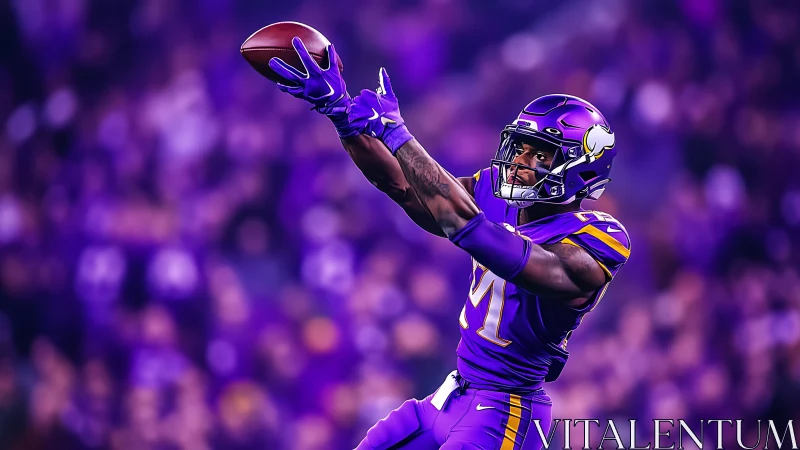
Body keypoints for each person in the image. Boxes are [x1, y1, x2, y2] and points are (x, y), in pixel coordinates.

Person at [269, 37, 631, 450]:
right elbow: (404, 186)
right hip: (452, 396)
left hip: (505, 412)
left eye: (541, 155)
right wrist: (343, 117)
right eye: (522, 148)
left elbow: (464, 224)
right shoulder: (497, 192)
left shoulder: (598, 240)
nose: (521, 163)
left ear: (582, 168)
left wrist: (399, 134)